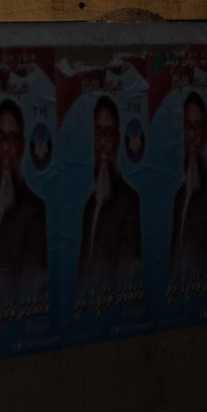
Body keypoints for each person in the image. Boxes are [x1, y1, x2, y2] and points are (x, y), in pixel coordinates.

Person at [0, 99, 47, 305]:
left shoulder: (35, 211)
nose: (6, 148)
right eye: (1, 138)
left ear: (22, 146)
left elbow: (32, 288)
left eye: (12, 138)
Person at [76, 97, 141, 297]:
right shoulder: (90, 205)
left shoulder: (129, 201)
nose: (103, 141)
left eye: (108, 133)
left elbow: (127, 273)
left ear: (118, 139)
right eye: (99, 133)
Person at [166, 92, 207, 283]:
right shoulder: (180, 196)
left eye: (197, 127)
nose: (192, 135)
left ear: (205, 132)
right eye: (187, 127)